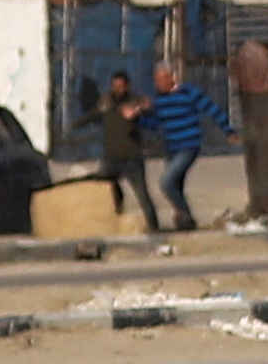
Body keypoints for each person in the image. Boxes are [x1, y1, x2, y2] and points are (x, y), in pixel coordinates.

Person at [139, 47, 230, 233]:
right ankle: (185, 224)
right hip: (171, 147)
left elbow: (210, 109)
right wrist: (138, 116)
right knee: (176, 186)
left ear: (172, 77)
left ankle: (186, 214)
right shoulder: (159, 101)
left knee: (166, 182)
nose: (158, 84)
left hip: (188, 145)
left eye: (161, 79)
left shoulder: (188, 92)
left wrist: (227, 129)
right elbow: (154, 124)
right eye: (156, 80)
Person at [98, 74, 179, 233]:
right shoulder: (106, 102)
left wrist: (141, 110)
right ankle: (113, 220)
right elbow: (95, 113)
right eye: (115, 86)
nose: (117, 89)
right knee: (106, 190)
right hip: (111, 157)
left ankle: (153, 225)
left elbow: (151, 111)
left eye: (121, 86)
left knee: (142, 194)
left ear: (127, 86)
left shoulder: (136, 101)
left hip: (132, 158)